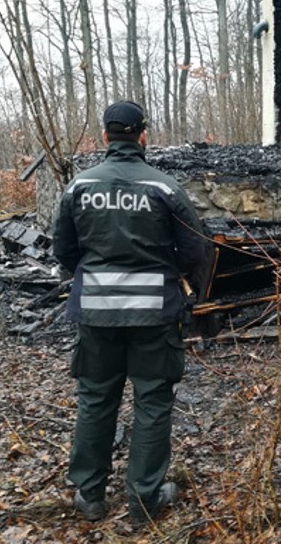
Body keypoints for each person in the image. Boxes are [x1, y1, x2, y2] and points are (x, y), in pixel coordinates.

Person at [52, 100, 213, 524]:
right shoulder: (164, 188)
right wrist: (176, 281)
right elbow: (197, 249)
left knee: (95, 399)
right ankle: (144, 500)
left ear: (105, 137)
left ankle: (89, 496)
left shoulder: (79, 187)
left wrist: (92, 281)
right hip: (154, 318)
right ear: (143, 136)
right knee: (153, 403)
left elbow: (64, 251)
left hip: (96, 316)